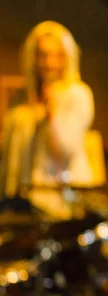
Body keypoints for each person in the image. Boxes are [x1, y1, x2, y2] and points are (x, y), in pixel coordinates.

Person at [0, 21, 95, 217]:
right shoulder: (23, 97)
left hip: (61, 199)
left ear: (66, 57)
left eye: (56, 55)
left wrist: (52, 112)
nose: (49, 63)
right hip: (25, 199)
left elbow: (65, 150)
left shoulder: (77, 94)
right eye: (43, 55)